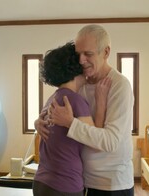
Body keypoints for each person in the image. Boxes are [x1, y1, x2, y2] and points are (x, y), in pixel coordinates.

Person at [35, 24, 135, 196]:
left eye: (88, 54)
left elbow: (110, 142)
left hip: (112, 184)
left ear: (106, 52)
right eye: (78, 54)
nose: (81, 60)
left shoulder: (120, 85)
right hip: (82, 181)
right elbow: (54, 110)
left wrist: (70, 123)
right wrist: (38, 122)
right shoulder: (79, 83)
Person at [32, 42, 110, 196]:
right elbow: (95, 143)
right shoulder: (74, 100)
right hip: (64, 186)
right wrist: (101, 104)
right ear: (76, 68)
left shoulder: (51, 99)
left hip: (41, 182)